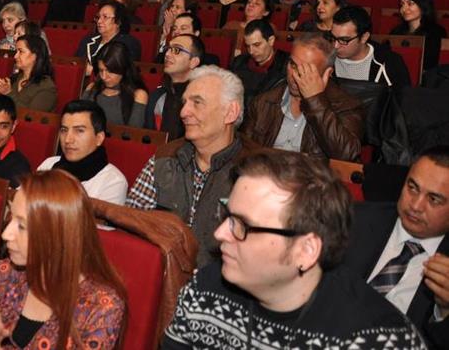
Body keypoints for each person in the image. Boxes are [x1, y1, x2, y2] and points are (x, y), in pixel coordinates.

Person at [162, 150, 428, 350]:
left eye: (242, 225)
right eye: (227, 216)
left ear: (306, 251)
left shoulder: (381, 341)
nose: (219, 234)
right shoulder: (205, 290)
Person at [0, 170, 126, 350]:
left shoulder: (101, 307)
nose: (6, 234)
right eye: (11, 218)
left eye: (21, 225)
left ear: (57, 235)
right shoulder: (4, 274)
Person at [128, 65, 258, 266]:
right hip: (159, 276)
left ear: (230, 113)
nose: (183, 112)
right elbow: (132, 227)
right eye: (184, 103)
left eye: (197, 103)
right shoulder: (165, 157)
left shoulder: (256, 174)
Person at [339, 146, 449, 349]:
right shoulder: (354, 219)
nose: (415, 205)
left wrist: (444, 311)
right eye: (412, 187)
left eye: (433, 199)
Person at [242, 31, 365, 161]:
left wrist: (315, 100)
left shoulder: (346, 106)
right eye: (293, 65)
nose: (296, 75)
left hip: (313, 178)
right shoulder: (263, 102)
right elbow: (244, 153)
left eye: (307, 71)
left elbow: (346, 155)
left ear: (327, 74)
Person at [36, 100, 127, 205]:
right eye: (64, 130)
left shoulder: (113, 182)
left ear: (99, 138)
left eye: (79, 131)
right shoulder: (49, 164)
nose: (68, 140)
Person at [331, 5, 411, 88]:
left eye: (344, 40)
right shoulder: (325, 58)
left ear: (364, 37)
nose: (335, 45)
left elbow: (405, 98)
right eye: (333, 38)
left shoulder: (390, 63)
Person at [82, 41, 148, 128]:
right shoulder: (92, 88)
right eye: (101, 70)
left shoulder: (138, 95)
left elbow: (132, 135)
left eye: (110, 71)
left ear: (123, 69)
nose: (104, 77)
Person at [150, 34, 203, 137]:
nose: (168, 54)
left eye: (177, 50)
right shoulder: (157, 95)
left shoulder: (201, 99)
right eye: (168, 48)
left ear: (193, 62)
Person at [0, 34, 57, 112]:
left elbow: (30, 117)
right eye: (16, 51)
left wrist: (8, 93)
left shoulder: (46, 86)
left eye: (21, 51)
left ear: (35, 55)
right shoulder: (15, 79)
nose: (15, 56)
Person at [230, 19, 289, 104]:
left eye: (257, 45)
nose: (251, 51)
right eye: (247, 46)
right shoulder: (238, 63)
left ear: (271, 41)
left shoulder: (286, 65)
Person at [75, 0, 142, 75]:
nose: (99, 21)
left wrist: (93, 72)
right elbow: (76, 63)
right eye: (98, 17)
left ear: (118, 22)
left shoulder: (128, 43)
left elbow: (124, 73)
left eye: (105, 17)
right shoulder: (88, 40)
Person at [390, 0, 447, 72]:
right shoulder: (396, 31)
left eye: (410, 4)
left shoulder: (436, 32)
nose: (404, 9)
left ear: (423, 5)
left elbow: (432, 64)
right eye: (402, 4)